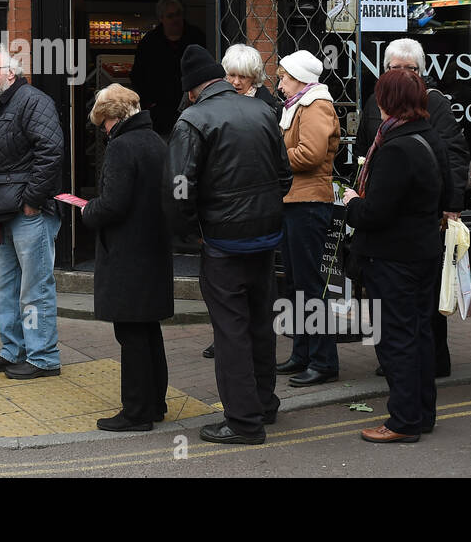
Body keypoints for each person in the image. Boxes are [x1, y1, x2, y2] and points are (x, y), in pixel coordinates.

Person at [165, 45, 292, 444]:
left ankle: (243, 422)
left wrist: (192, 230)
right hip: (266, 236)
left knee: (231, 332)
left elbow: (179, 188)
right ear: (219, 78)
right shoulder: (262, 111)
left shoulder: (193, 119)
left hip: (222, 242)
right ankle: (264, 405)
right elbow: (285, 176)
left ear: (191, 90)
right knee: (259, 324)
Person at [342, 69, 449, 443]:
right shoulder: (429, 136)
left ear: (388, 101)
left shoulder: (395, 148)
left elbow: (374, 215)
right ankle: (422, 413)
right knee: (419, 333)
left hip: (393, 258)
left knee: (396, 338)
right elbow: (447, 193)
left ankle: (403, 421)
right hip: (423, 252)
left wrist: (352, 202)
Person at [355, 37, 470, 378]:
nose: (404, 74)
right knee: (396, 308)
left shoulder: (434, 104)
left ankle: (429, 364)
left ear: (422, 72)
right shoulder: (375, 103)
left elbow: (453, 156)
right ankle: (399, 362)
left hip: (419, 220)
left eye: (411, 69)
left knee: (422, 305)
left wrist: (451, 206)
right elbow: (364, 151)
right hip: (385, 217)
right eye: (396, 68)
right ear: (384, 70)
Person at [81, 83, 173, 431]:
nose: (102, 129)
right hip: (153, 248)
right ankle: (155, 403)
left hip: (126, 253)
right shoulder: (155, 141)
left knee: (131, 333)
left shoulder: (122, 146)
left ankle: (136, 412)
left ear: (114, 117)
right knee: (149, 329)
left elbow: (114, 204)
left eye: (103, 121)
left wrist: (89, 211)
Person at [0, 46, 65, 379]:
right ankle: (13, 351)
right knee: (6, 287)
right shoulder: (1, 106)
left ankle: (42, 356)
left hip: (29, 212)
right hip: (4, 210)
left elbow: (51, 151)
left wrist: (32, 200)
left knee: (34, 287)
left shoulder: (32, 100)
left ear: (11, 73)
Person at [273, 50, 342, 387]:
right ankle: (302, 354)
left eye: (284, 76)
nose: (280, 83)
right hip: (295, 202)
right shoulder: (298, 105)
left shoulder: (316, 104)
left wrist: (271, 158)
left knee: (310, 284)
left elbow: (310, 154)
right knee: (296, 283)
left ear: (300, 77)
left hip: (308, 204)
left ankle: (323, 360)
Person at [131, 0, 207, 137]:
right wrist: (149, 102)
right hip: (159, 111)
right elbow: (137, 75)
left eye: (178, 14)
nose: (175, 19)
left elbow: (206, 70)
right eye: (170, 16)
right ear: (161, 18)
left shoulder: (196, 37)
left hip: (193, 107)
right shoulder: (149, 43)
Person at [223, 43, 281, 121]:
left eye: (243, 76)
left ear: (254, 77)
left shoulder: (267, 108)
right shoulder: (217, 100)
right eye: (232, 75)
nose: (236, 82)